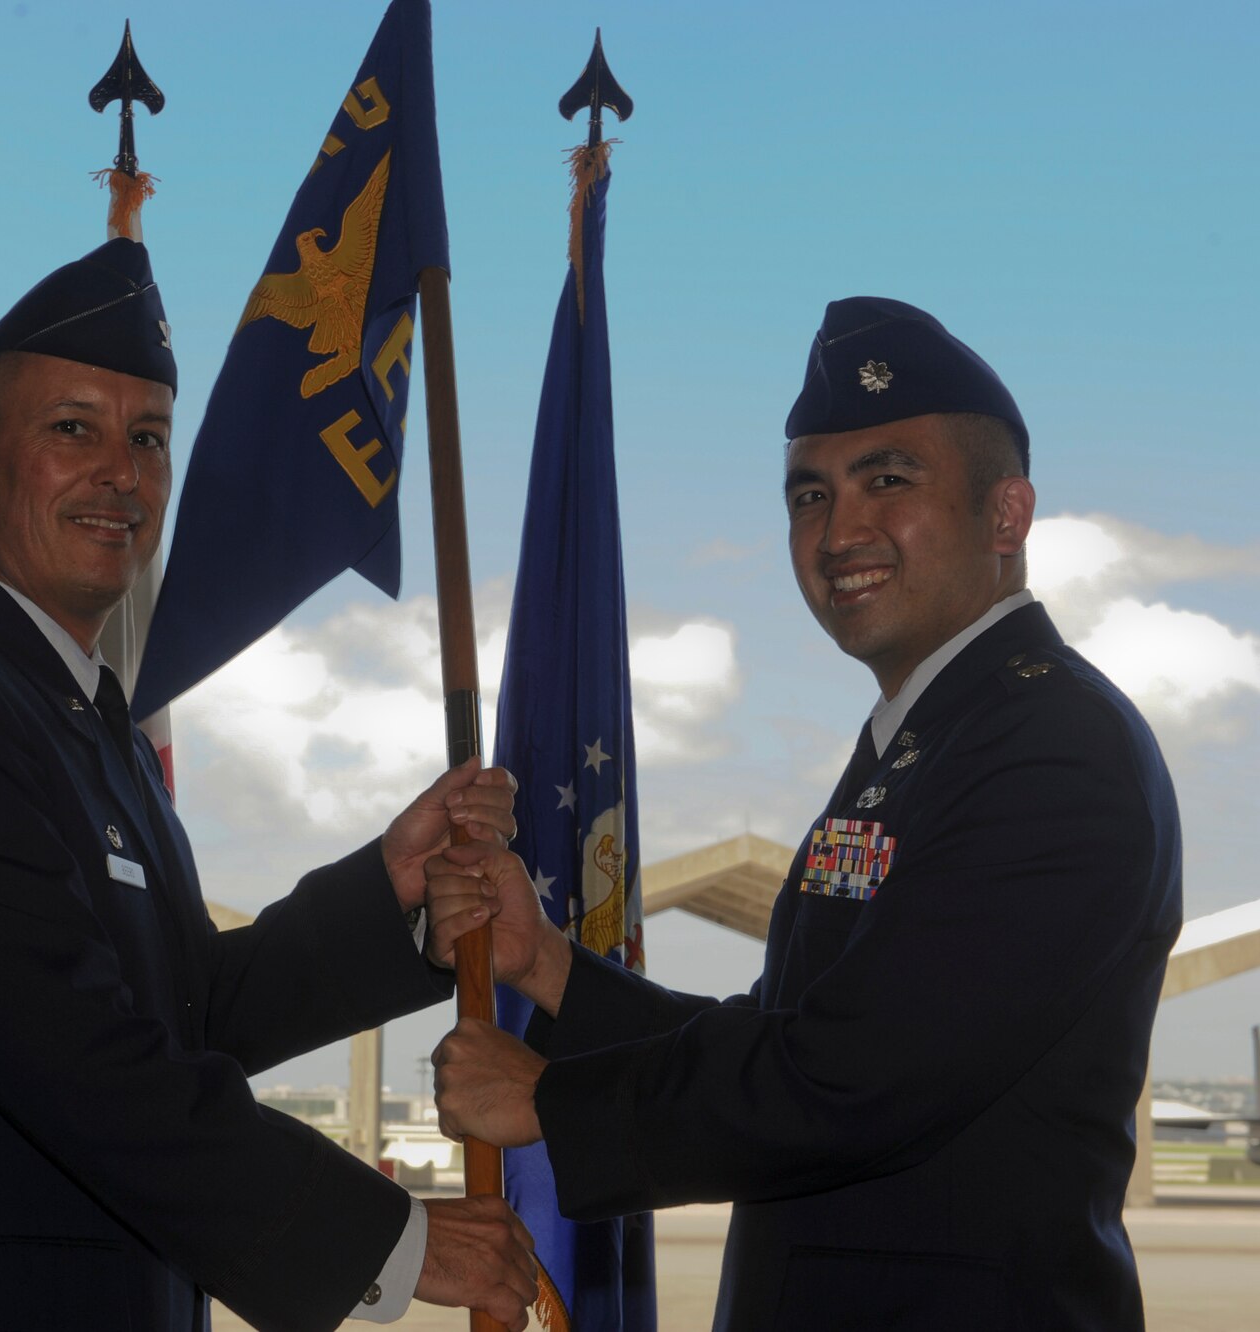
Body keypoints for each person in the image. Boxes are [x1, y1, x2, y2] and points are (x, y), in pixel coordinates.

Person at [0, 238, 536, 1332]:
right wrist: (396, 1238)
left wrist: (389, 891)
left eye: (148, 439)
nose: (120, 474)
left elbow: (184, 1012)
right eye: (71, 429)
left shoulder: (90, 727)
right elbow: (85, 1068)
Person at [429, 297, 1184, 1331]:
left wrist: (549, 1102)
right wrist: (546, 967)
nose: (838, 532)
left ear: (1004, 515)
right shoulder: (928, 739)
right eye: (807, 496)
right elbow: (792, 1039)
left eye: (888, 479)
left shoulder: (1049, 747)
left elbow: (856, 1080)